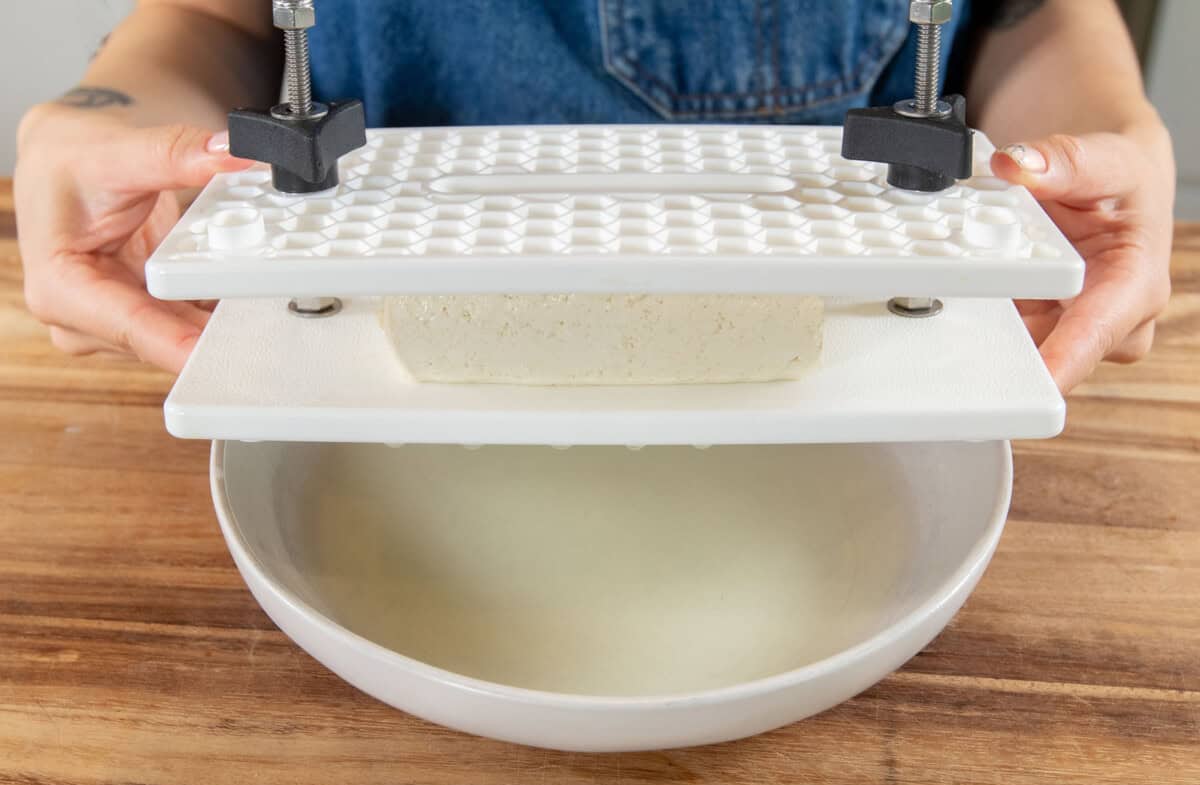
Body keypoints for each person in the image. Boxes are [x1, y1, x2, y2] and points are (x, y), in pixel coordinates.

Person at [14, 0, 1175, 392]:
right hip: (370, 376)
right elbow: (219, 19)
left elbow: (1034, 15)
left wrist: (1096, 133)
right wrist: (121, 108)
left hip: (849, 383)